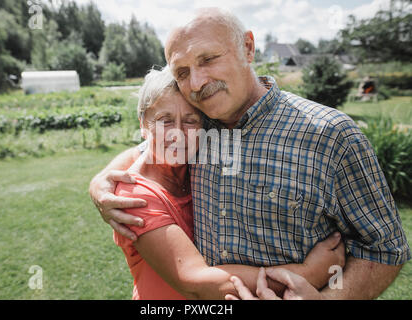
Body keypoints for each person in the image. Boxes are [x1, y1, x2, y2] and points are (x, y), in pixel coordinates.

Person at [90, 8, 410, 299]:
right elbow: (151, 148)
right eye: (183, 72)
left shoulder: (330, 134)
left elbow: (385, 249)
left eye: (208, 59)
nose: (198, 82)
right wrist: (101, 182)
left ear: (248, 48)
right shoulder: (201, 127)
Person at [113, 66, 345, 300]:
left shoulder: (194, 165)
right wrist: (307, 274)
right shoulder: (135, 195)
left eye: (190, 120)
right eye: (165, 120)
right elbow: (194, 280)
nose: (178, 134)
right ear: (143, 123)